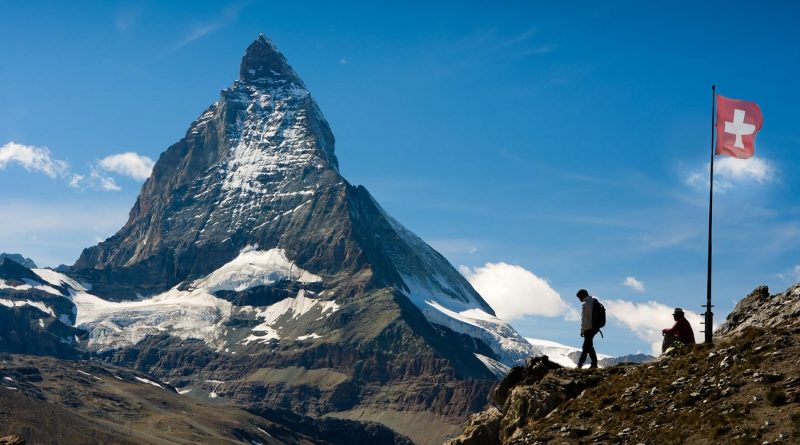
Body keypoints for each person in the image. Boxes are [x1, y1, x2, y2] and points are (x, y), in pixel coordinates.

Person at [576, 289, 598, 369]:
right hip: (595, 327)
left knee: (586, 347)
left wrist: (582, 331)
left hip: (589, 328)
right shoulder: (593, 301)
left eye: (579, 298)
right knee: (588, 346)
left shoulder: (585, 304)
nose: (579, 300)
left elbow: (584, 319)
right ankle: (593, 364)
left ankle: (580, 365)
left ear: (582, 296)